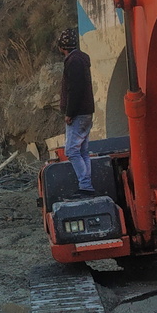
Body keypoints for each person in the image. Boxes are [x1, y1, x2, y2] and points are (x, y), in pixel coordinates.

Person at [57, 27, 95, 196]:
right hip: (86, 112)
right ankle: (87, 185)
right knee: (82, 151)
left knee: (72, 151)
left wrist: (69, 113)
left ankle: (85, 185)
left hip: (78, 113)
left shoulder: (73, 62)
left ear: (62, 47)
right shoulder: (81, 59)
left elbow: (74, 90)